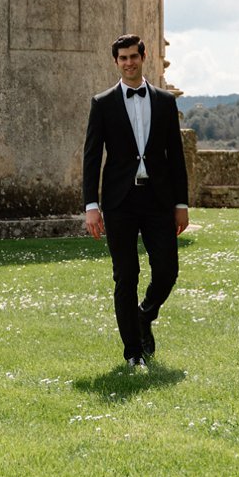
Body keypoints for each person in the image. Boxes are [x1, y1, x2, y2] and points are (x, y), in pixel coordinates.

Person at [82, 33, 190, 368]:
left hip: (158, 198)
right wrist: (91, 206)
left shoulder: (164, 102)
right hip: (119, 202)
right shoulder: (102, 104)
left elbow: (176, 158)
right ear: (116, 62)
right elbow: (91, 157)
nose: (129, 63)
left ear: (144, 58)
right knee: (125, 275)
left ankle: (145, 315)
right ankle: (132, 352)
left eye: (134, 56)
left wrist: (182, 204)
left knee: (168, 271)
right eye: (123, 58)